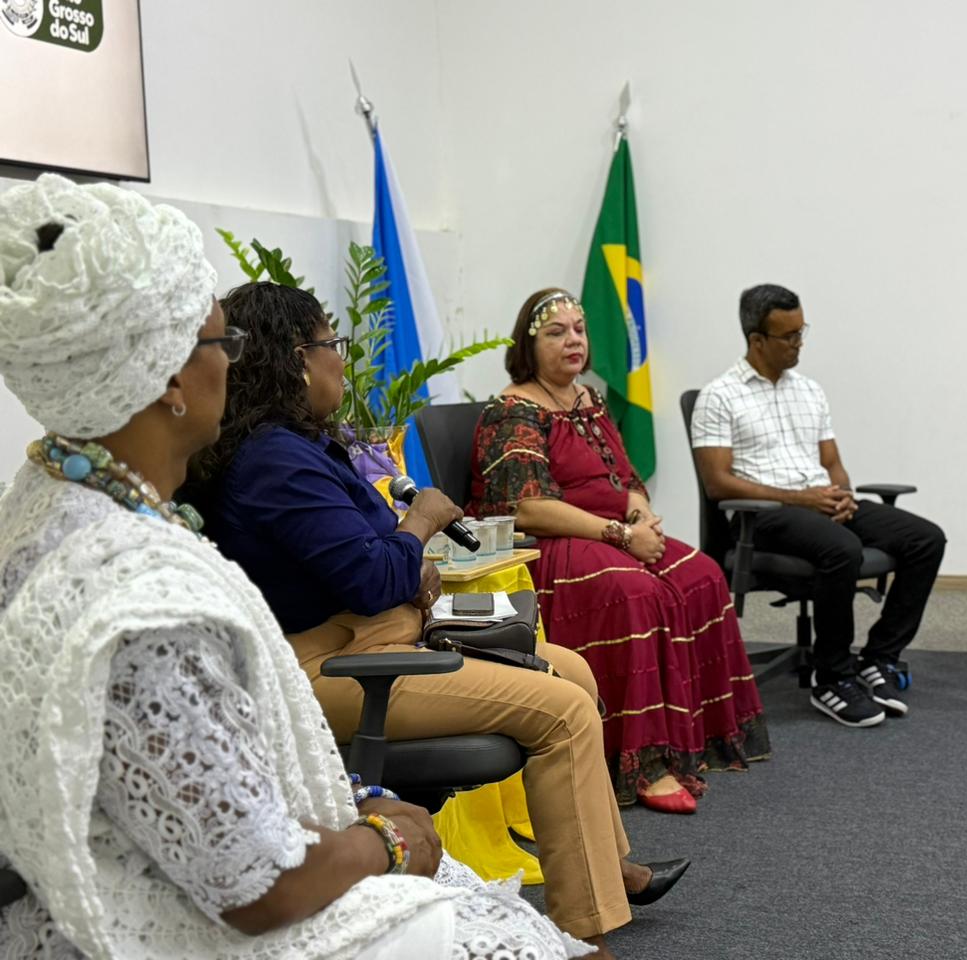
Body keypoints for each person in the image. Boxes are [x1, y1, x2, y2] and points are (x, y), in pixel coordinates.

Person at [0, 174, 588, 958]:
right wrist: (380, 837)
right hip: (163, 916)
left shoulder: (46, 504)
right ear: (172, 380)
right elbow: (256, 886)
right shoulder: (146, 597)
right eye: (224, 344)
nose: (234, 363)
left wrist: (351, 803)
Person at [188, 281, 686, 955]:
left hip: (382, 636)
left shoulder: (300, 447)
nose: (343, 358)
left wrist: (408, 558)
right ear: (297, 360)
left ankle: (606, 866)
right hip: (333, 667)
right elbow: (371, 575)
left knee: (569, 667)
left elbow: (369, 557)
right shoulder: (276, 461)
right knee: (562, 710)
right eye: (334, 343)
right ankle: (587, 934)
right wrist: (419, 524)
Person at [467, 288, 771, 813]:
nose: (573, 341)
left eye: (579, 330)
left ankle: (692, 741)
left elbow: (625, 476)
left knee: (702, 575)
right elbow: (527, 508)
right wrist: (621, 536)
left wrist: (636, 514)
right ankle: (642, 763)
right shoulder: (512, 410)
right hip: (555, 547)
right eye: (556, 332)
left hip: (612, 530)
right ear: (528, 344)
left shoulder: (590, 400)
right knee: (636, 591)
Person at [691, 283, 947, 729]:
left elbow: (832, 463)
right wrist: (802, 499)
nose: (799, 344)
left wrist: (842, 495)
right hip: (764, 515)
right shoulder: (720, 396)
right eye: (788, 336)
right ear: (756, 340)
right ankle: (831, 678)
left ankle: (879, 657)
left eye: (801, 331)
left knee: (925, 539)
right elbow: (718, 483)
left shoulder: (809, 390)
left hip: (819, 502)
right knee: (841, 548)